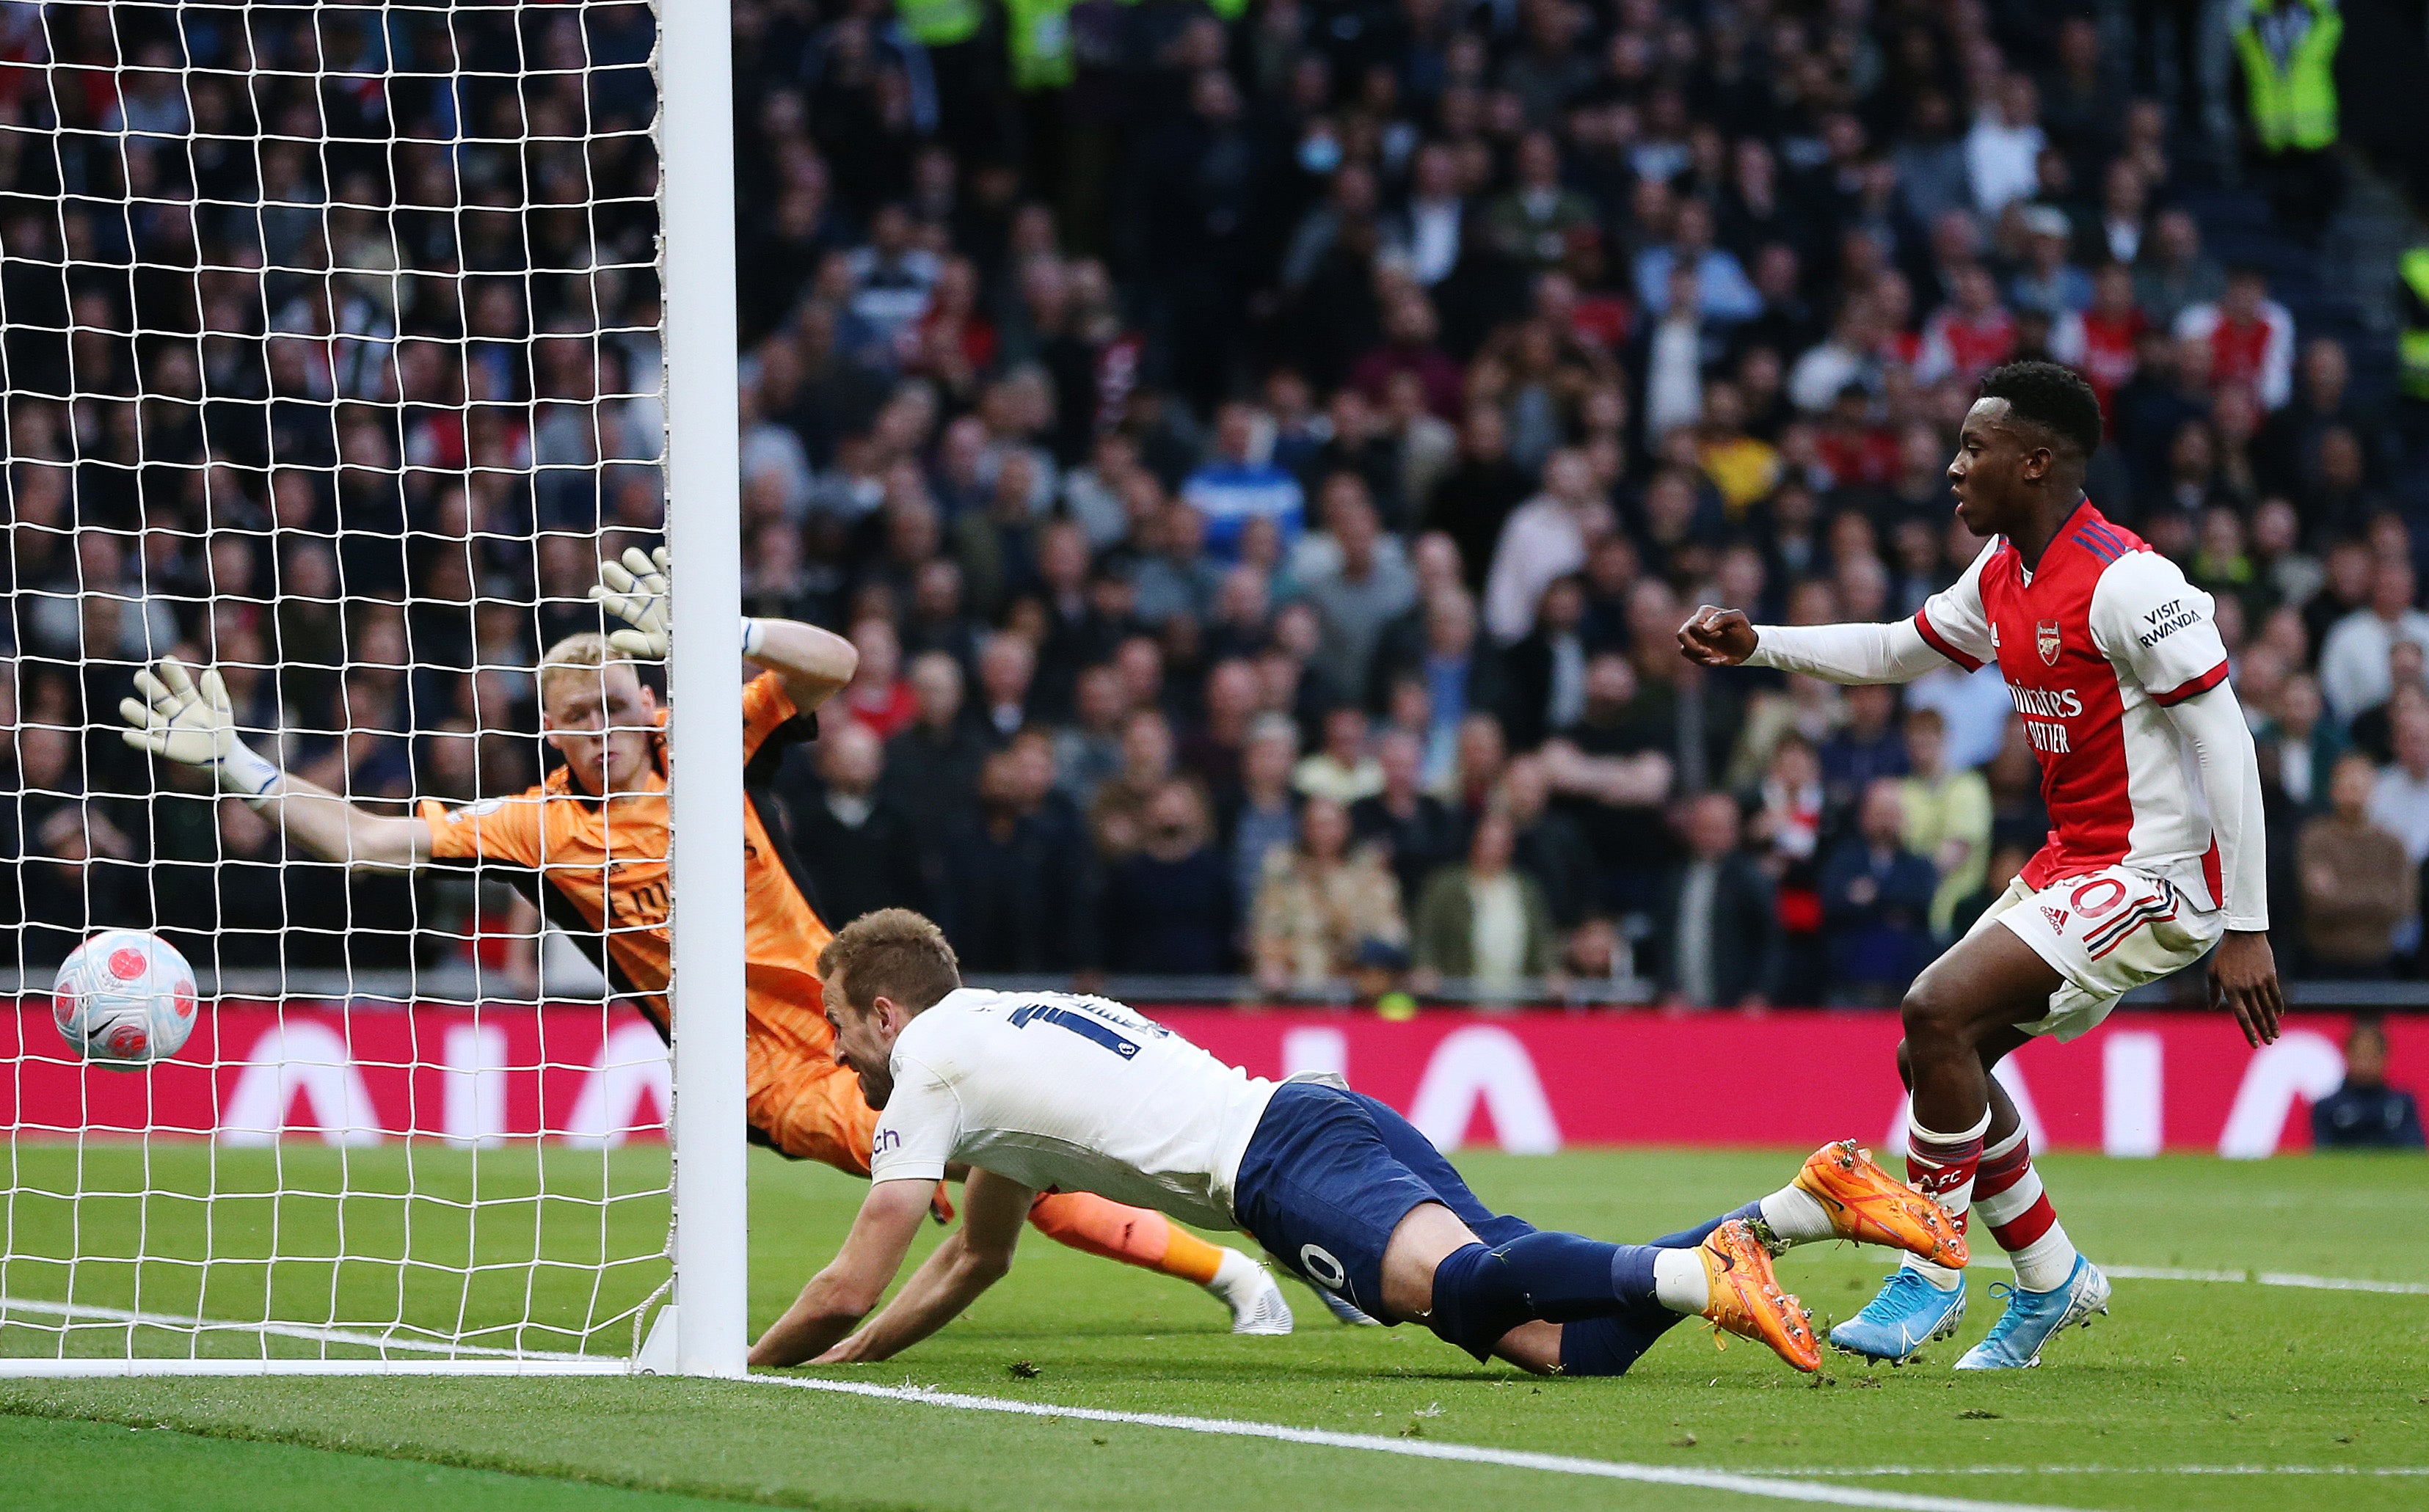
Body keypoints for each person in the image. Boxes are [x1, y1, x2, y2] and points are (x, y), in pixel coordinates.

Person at [119, 548, 1293, 1336]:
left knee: (1016, 1146)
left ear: (646, 698)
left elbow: (832, 663)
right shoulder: (538, 822)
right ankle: (1233, 1273)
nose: (604, 725)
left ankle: (1238, 1266)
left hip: (865, 1009)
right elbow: (366, 840)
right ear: (555, 734)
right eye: (576, 716)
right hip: (764, 1068)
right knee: (987, 1159)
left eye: (618, 701)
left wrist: (726, 624)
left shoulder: (704, 739)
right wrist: (244, 766)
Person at [1680, 361, 2281, 1369]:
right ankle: (2047, 1276)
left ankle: (1931, 1261)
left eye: (1972, 448)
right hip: (2074, 862)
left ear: (2035, 461)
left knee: (1934, 1007)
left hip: (2156, 875)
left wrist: (2246, 923)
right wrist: (1758, 645)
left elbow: (2227, 742)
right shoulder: (2000, 571)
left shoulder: (2132, 583)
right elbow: (1889, 648)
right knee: (1934, 1057)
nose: (1951, 467)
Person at [747, 908, 1972, 1374]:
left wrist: (745, 1364)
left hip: (1282, 1169)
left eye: (844, 1027)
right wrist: (859, 1355)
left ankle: (1702, 1271)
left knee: (1477, 1288)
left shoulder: (926, 1070)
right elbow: (978, 1260)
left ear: (888, 1012)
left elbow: (862, 1264)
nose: (843, 1055)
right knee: (1556, 1348)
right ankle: (1801, 1209)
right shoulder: (996, 1031)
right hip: (1315, 1117)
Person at [2296, 753, 2414, 976]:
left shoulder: (2392, 843)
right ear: (2332, 789)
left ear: (2374, 789)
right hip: (2323, 963)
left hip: (2380, 964)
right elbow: (2317, 903)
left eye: (2360, 782)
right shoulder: (2316, 838)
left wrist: (2339, 891)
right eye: (2346, 782)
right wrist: (2379, 894)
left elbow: (2404, 906)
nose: (2353, 789)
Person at [2311, 1017, 2425, 1150]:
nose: (2365, 1065)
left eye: (2372, 1057)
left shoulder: (2402, 1104)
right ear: (2347, 1057)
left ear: (2385, 1058)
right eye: (2359, 1056)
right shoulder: (2327, 1107)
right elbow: (2323, 1154)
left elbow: (2416, 1151)